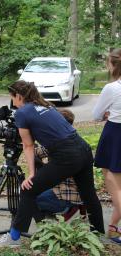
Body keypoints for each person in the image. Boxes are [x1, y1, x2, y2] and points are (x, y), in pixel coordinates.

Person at [0, 80, 104, 247]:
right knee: (89, 195)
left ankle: (13, 238)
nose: (13, 102)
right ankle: (97, 236)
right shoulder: (46, 105)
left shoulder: (22, 113)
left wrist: (31, 174)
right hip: (83, 149)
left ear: (19, 96)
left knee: (28, 190)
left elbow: (28, 146)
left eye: (12, 98)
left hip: (66, 156)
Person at [35, 109, 86, 222]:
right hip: (80, 192)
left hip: (65, 194)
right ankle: (75, 206)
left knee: (30, 199)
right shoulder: (76, 139)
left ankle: (68, 210)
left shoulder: (57, 141)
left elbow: (36, 152)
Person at [93, 48, 121, 243]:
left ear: (113, 65)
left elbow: (96, 115)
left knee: (114, 184)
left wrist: (107, 114)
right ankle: (112, 228)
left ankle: (113, 229)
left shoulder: (112, 88)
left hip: (115, 134)